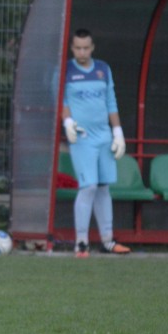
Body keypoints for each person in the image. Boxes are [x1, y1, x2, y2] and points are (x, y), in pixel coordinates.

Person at [61, 29, 131, 258]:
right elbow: (61, 99)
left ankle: (107, 241)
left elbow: (111, 101)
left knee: (103, 187)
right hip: (81, 137)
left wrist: (117, 132)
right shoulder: (66, 70)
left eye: (86, 48)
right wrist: (68, 121)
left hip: (103, 136)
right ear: (72, 48)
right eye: (78, 48)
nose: (82, 52)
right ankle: (81, 242)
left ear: (92, 48)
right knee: (89, 186)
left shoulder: (103, 68)